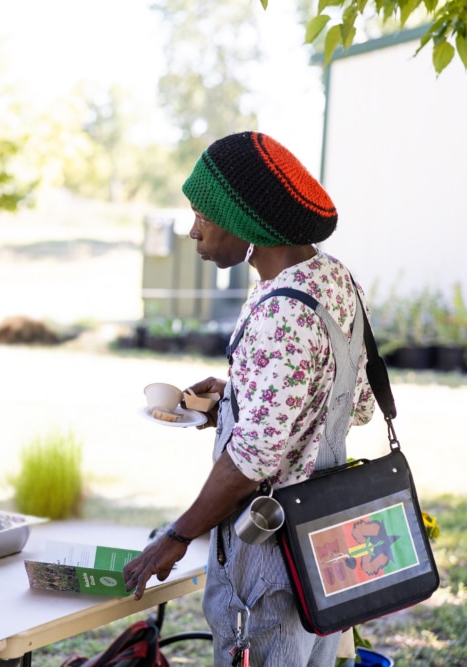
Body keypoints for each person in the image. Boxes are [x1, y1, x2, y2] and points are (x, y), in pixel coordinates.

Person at [122, 132, 376, 666]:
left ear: (247, 223)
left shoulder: (279, 310)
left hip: (268, 557)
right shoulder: (334, 281)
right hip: (326, 549)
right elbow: (355, 406)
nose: (193, 230)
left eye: (202, 215)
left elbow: (251, 461)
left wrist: (176, 536)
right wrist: (239, 395)